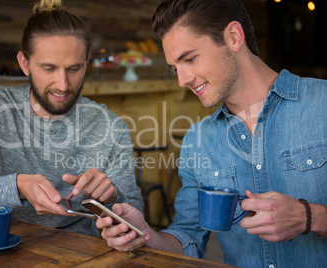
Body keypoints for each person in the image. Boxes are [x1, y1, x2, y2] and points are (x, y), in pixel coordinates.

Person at [96, 0, 327, 267]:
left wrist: (309, 217)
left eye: (190, 59)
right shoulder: (198, 140)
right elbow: (187, 239)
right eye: (175, 68)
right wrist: (144, 234)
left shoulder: (321, 103)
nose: (182, 80)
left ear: (233, 37)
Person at [0, 0, 143, 238]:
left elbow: (135, 216)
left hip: (87, 253)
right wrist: (17, 186)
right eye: (49, 68)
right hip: (5, 249)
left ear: (87, 61)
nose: (63, 85)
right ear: (24, 64)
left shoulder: (111, 127)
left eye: (74, 69)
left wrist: (112, 198)